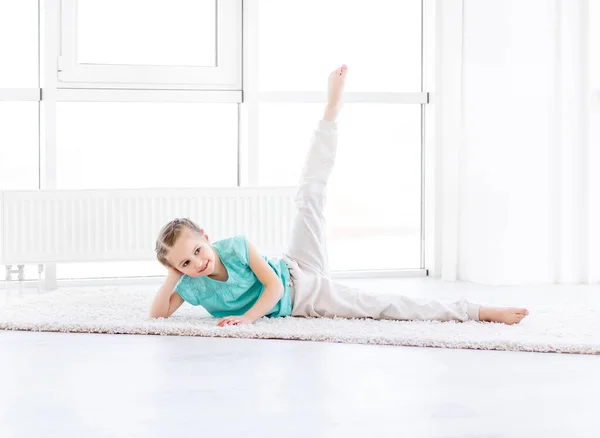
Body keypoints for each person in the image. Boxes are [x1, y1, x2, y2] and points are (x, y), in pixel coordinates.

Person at [149, 65, 529, 327]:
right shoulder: (189, 284)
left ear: (206, 238)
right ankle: (477, 312)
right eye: (184, 262)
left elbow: (275, 287)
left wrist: (247, 320)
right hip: (311, 298)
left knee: (308, 195)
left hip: (296, 271)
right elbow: (157, 317)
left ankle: (331, 111)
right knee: (384, 307)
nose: (196, 263)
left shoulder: (235, 247)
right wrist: (171, 277)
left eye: (197, 250)